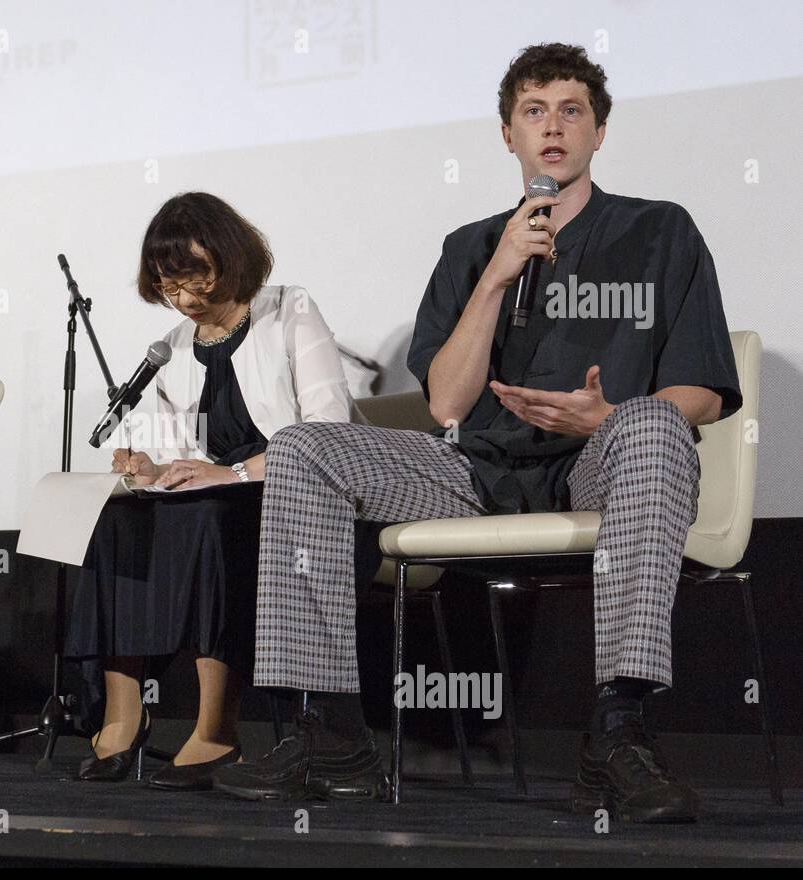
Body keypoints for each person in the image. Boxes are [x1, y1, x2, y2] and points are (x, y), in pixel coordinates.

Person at [214, 44, 741, 824]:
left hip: (603, 461)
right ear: (508, 135)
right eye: (535, 112)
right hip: (474, 470)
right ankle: (330, 733)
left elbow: (700, 386)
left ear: (600, 132)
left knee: (657, 422)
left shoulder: (660, 230)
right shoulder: (470, 248)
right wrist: (497, 271)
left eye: (571, 111)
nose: (553, 128)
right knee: (301, 448)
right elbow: (447, 406)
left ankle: (618, 729)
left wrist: (614, 417)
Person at [66, 192, 353, 789]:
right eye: (169, 285)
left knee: (210, 516)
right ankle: (122, 717)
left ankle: (217, 732)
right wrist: (150, 467)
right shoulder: (172, 348)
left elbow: (329, 436)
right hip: (219, 493)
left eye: (195, 277)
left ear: (230, 257)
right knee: (114, 518)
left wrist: (235, 473)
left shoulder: (289, 310)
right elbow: (186, 458)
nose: (183, 297)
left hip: (297, 496)